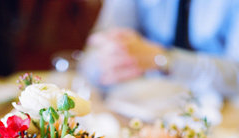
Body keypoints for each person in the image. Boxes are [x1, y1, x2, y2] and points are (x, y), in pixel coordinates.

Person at [81, 0, 239, 98]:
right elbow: (94, 56)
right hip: (146, 105)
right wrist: (109, 58)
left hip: (223, 114)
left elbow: (236, 76)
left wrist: (163, 59)